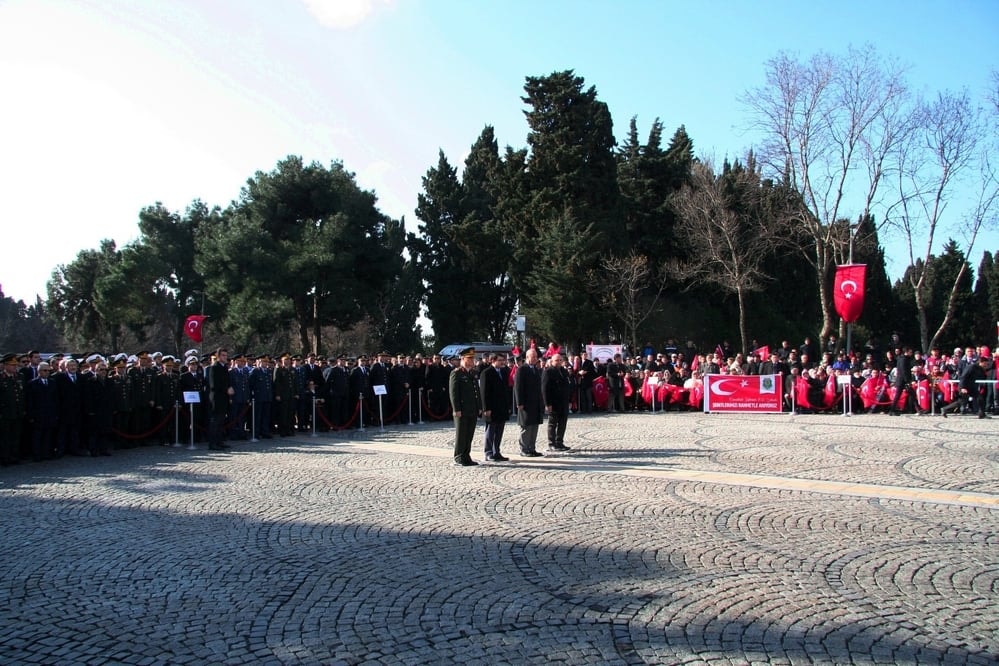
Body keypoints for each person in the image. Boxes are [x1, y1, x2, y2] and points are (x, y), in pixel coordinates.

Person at [448, 347, 481, 466]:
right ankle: (459, 456)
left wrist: (479, 406)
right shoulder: (456, 373)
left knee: (469, 434)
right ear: (463, 359)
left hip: (472, 408)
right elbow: (453, 393)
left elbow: (476, 390)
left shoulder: (472, 373)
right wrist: (456, 409)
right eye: (470, 358)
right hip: (462, 409)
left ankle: (466, 455)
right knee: (461, 434)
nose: (472, 360)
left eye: (473, 358)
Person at [479, 353, 510, 462]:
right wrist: (486, 408)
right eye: (500, 360)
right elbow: (484, 392)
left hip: (502, 407)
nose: (502, 362)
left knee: (499, 431)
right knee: (490, 431)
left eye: (503, 360)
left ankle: (496, 451)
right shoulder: (486, 373)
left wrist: (508, 405)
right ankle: (488, 452)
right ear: (493, 360)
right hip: (491, 408)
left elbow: (506, 390)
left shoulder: (504, 372)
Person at [514, 348, 544, 457]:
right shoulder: (522, 369)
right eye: (533, 357)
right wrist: (519, 402)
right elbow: (518, 387)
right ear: (527, 357)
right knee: (526, 427)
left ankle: (532, 448)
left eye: (536, 357)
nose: (535, 359)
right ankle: (524, 449)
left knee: (534, 426)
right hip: (526, 404)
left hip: (535, 403)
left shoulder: (536, 369)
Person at [542, 353, 572, 452]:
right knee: (553, 423)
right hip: (553, 402)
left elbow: (568, 387)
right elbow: (545, 389)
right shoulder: (548, 372)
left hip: (563, 402)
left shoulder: (564, 371)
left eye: (560, 360)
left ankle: (559, 442)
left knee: (563, 423)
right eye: (556, 360)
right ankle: (551, 443)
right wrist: (547, 404)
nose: (559, 362)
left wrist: (570, 400)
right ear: (552, 361)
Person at [0, 353, 27, 465]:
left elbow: (22, 395)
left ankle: (14, 456)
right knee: (5, 437)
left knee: (16, 436)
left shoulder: (20, 377)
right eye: (12, 365)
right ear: (5, 365)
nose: (14, 367)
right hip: (5, 413)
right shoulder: (1, 378)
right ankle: (5, 458)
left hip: (18, 412)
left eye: (15, 365)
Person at [207, 348, 233, 450]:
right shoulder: (214, 367)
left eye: (226, 355)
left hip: (224, 398)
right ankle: (213, 443)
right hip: (216, 399)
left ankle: (219, 441)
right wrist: (226, 389)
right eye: (223, 355)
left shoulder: (224, 367)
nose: (225, 357)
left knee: (221, 421)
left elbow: (227, 380)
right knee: (215, 422)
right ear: (218, 357)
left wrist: (229, 389)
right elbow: (213, 385)